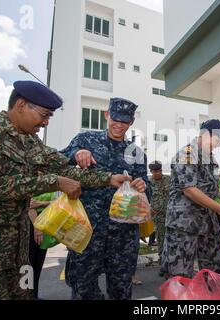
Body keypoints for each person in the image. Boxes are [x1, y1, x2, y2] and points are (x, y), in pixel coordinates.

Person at [0, 81, 130, 300]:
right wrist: (54, 181)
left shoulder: (30, 141)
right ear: (21, 105)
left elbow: (65, 168)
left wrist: (110, 179)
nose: (46, 123)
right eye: (44, 115)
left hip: (17, 250)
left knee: (25, 294)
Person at [62, 97, 151, 300]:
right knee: (83, 288)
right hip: (88, 230)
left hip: (123, 234)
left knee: (121, 290)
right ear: (107, 115)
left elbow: (146, 187)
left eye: (125, 122)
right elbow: (59, 163)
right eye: (115, 119)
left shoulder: (136, 153)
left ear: (131, 123)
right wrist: (76, 153)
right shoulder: (85, 140)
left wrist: (143, 186)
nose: (119, 125)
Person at [162, 119, 220, 279]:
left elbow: (209, 186)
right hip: (184, 224)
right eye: (217, 141)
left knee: (215, 273)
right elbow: (190, 190)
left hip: (207, 223)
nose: (218, 145)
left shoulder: (208, 157)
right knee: (180, 275)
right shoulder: (187, 155)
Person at [27, 192, 56, 299]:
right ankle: (26, 295)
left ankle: (34, 295)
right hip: (33, 225)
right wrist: (37, 228)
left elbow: (57, 203)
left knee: (38, 264)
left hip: (44, 224)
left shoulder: (48, 180)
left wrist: (40, 203)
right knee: (28, 265)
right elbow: (29, 206)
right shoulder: (31, 179)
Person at [148, 160, 170, 277]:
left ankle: (171, 264)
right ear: (151, 172)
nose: (158, 173)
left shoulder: (168, 180)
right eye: (155, 171)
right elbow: (146, 197)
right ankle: (163, 265)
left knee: (171, 240)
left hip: (171, 215)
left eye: (160, 171)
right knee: (161, 240)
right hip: (158, 217)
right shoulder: (149, 182)